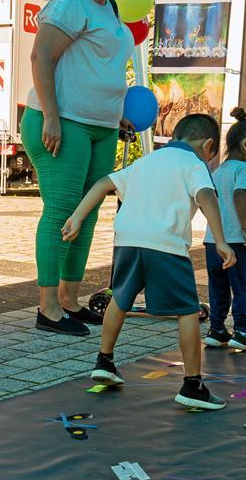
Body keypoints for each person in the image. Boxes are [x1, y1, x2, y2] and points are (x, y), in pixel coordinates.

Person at [61, 113, 235, 410]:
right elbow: (206, 197)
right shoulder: (194, 165)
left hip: (127, 240)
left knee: (120, 298)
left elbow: (104, 183)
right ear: (208, 145)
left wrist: (77, 216)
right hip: (166, 245)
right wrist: (220, 239)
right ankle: (192, 384)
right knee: (187, 311)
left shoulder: (146, 161)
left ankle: (104, 361)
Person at [25, 0, 135, 337]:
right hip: (64, 122)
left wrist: (117, 115)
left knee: (85, 216)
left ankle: (70, 300)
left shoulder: (111, 8)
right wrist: (51, 117)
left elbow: (99, 66)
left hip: (102, 126)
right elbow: (41, 58)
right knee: (61, 212)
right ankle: (48, 307)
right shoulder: (71, 1)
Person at [203, 107, 246, 351]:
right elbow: (240, 195)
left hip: (212, 241)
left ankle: (217, 329)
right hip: (235, 241)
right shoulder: (244, 169)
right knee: (242, 286)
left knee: (218, 286)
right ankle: (242, 330)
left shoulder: (217, 170)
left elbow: (206, 200)